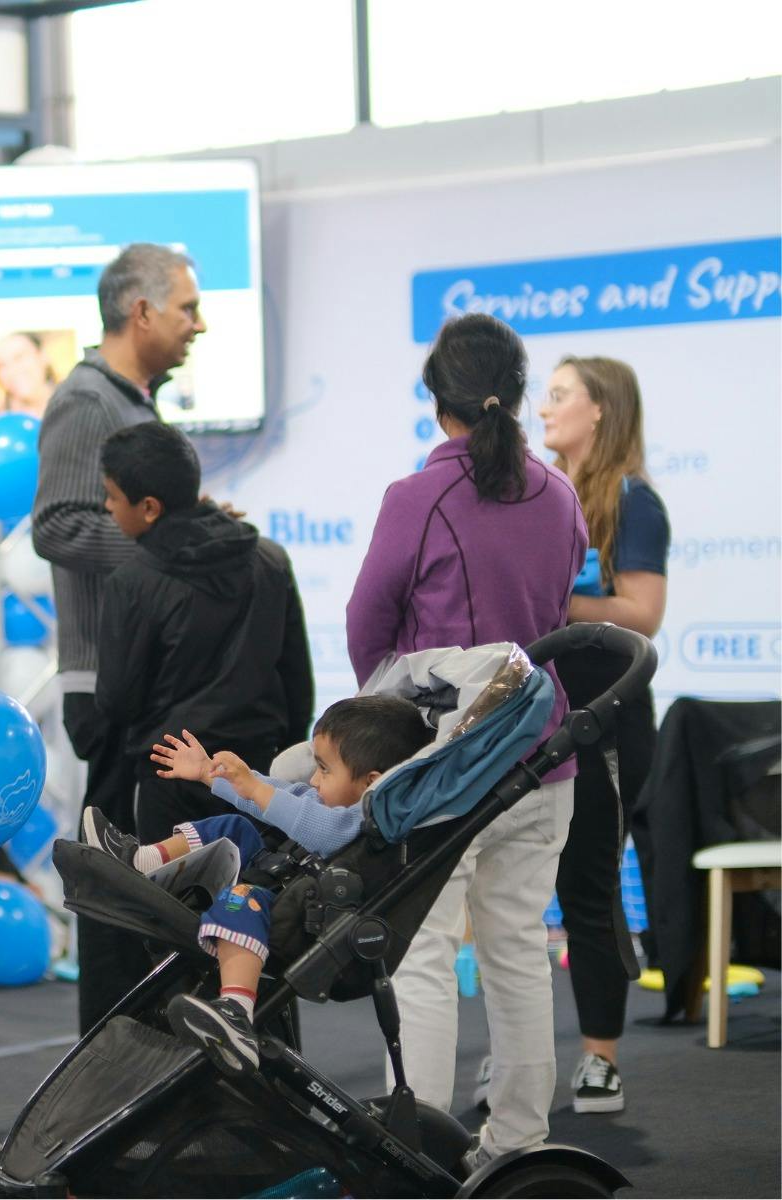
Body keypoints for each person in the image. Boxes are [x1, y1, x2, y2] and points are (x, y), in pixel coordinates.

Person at [346, 312, 587, 1167]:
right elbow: (556, 610)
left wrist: (402, 724)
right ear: (516, 393)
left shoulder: (418, 497)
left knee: (423, 955)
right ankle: (518, 1146)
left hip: (447, 766)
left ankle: (415, 1151)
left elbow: (367, 628)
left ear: (435, 397)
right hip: (544, 754)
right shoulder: (559, 494)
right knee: (519, 948)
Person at [32, 241, 207, 1036]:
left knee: (151, 879)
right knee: (117, 888)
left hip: (148, 680)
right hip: (107, 682)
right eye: (187, 310)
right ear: (140, 313)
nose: (198, 326)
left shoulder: (132, 400)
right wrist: (163, 546)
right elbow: (58, 526)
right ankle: (108, 1057)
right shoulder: (86, 402)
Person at [85, 697, 433, 1076]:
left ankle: (236, 1013)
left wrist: (251, 785)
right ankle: (142, 860)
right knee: (234, 827)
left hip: (306, 915)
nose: (314, 780)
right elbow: (286, 797)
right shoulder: (331, 802)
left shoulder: (359, 822)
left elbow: (315, 827)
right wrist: (210, 774)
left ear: (372, 781)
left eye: (324, 770)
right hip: (286, 879)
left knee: (240, 899)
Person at [539, 355, 669, 1115]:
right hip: (538, 714)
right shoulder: (542, 493)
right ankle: (521, 1056)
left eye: (559, 397)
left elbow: (644, 613)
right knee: (517, 896)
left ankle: (600, 1059)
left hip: (609, 718)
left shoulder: (631, 499)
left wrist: (561, 604)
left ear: (600, 412)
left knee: (586, 887)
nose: (544, 409)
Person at [93, 421, 313, 845]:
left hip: (171, 775)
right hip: (258, 773)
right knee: (254, 901)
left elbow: (118, 700)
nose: (107, 506)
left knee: (174, 903)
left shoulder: (133, 582)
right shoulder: (270, 559)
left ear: (150, 508)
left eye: (113, 496)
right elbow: (297, 681)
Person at [0, 332, 57, 417]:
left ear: (42, 356)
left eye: (19, 357)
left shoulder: (73, 406)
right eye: (2, 365)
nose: (11, 370)